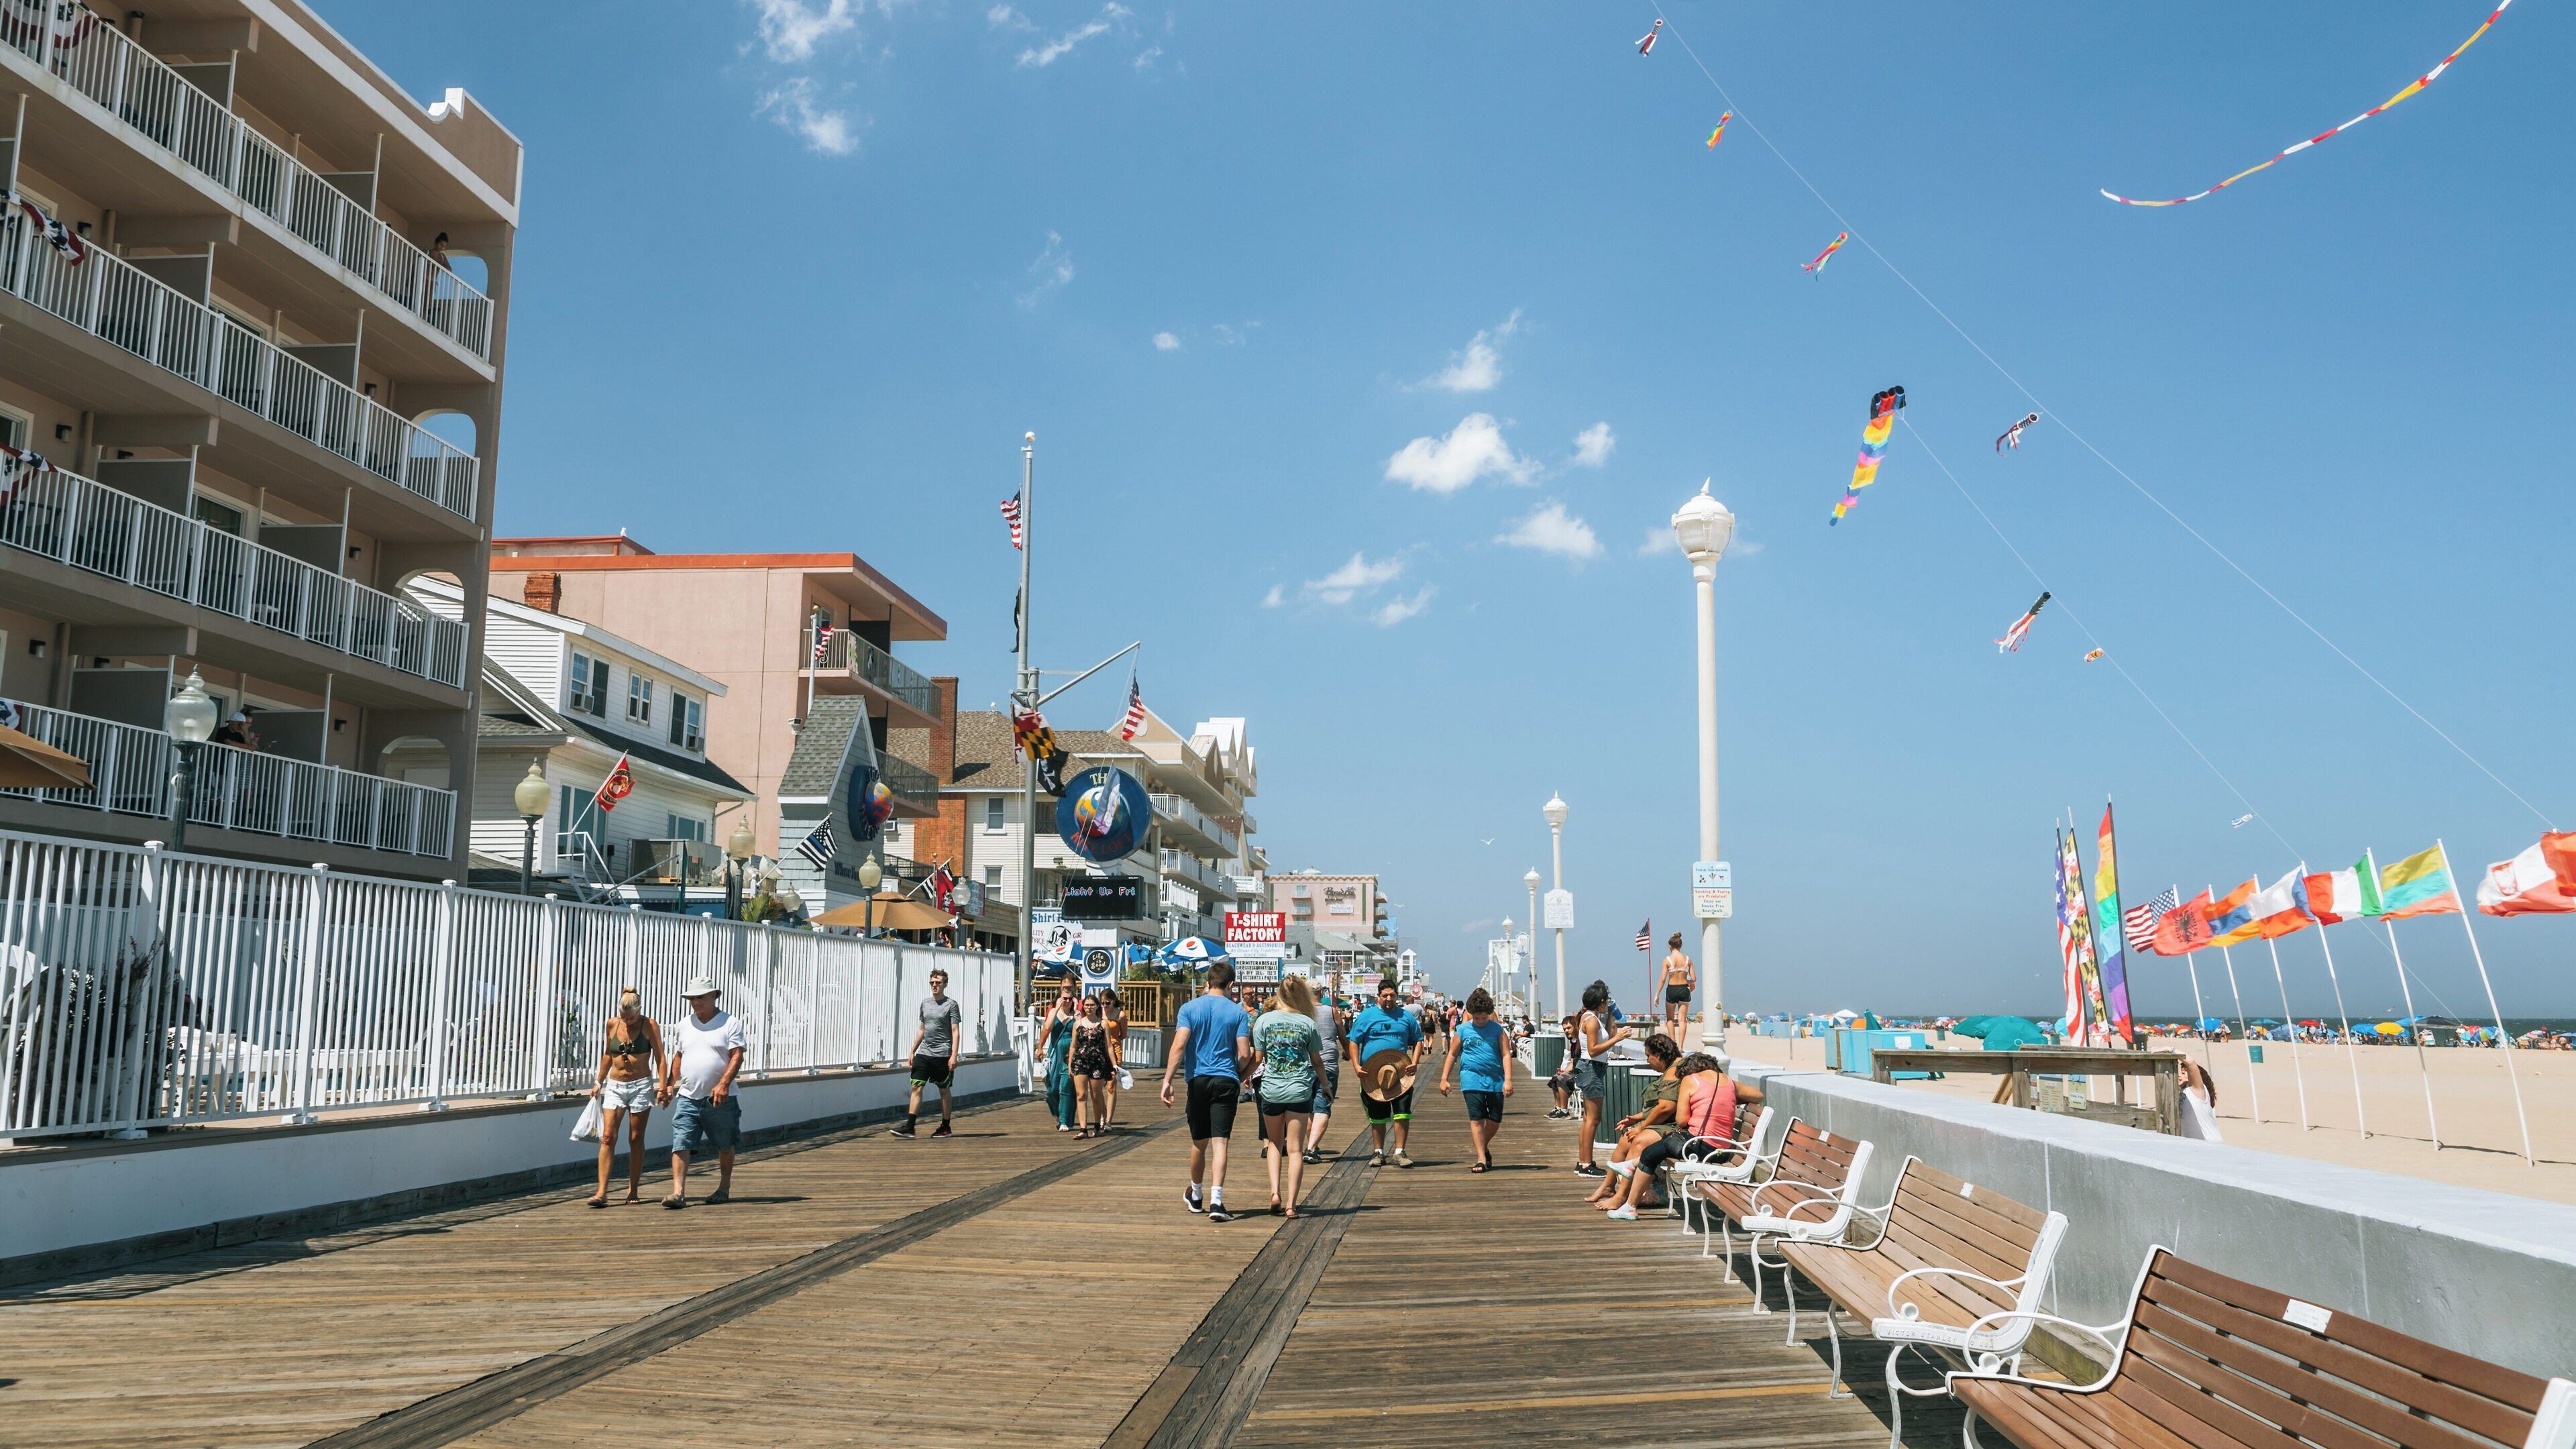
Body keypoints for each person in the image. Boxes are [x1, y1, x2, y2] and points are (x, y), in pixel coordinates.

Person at [1603, 1051, 1760, 1219]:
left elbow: (1681, 1120)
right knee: (1657, 1149)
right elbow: (1759, 1095)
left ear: (1691, 1070)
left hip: (1703, 1147)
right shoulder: (1729, 1082)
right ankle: (1631, 1174)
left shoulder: (1691, 1080)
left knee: (1650, 1154)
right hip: (1723, 1150)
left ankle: (1630, 1204)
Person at [1161, 960, 1252, 1222]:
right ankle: (1217, 1201)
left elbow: (1179, 1047)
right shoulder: (1237, 1013)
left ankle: (1197, 1194)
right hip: (1226, 1080)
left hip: (1198, 1081)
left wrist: (1168, 1080)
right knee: (1220, 1142)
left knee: (1199, 1142)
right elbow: (1245, 1054)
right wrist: (1237, 1073)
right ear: (1231, 985)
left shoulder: (1189, 1008)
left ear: (1208, 981)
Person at [658, 975, 745, 1208]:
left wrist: (724, 1083)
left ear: (714, 996)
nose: (696, 1002)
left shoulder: (730, 1023)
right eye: (692, 998)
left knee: (725, 1143)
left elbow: (737, 1055)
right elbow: (679, 1056)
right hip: (688, 1095)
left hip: (720, 1099)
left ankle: (724, 1186)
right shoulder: (684, 1024)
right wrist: (669, 1085)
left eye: (701, 997)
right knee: (681, 1142)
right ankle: (678, 1193)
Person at [1252, 975, 1328, 1217]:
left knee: (1275, 1143)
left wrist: (1242, 1076)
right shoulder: (1307, 1023)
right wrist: (1325, 1085)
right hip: (1299, 1090)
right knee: (1295, 1149)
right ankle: (1291, 1205)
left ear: (1279, 994)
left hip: (1272, 1090)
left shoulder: (1264, 1021)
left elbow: (1257, 1058)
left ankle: (1275, 1192)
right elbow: (1317, 1061)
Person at [584, 987, 665, 1207]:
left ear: (639, 1011)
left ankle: (633, 1189)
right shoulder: (612, 1024)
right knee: (608, 1136)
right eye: (624, 1017)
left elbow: (660, 1058)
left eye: (631, 1018)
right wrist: (598, 1081)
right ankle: (601, 1192)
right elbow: (607, 1055)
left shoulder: (650, 1025)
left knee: (635, 1138)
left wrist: (663, 1086)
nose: (627, 1022)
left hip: (640, 1085)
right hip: (615, 1085)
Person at [1585, 1034, 1681, 1210]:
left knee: (1638, 1141)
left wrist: (1641, 1127)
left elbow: (1667, 1108)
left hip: (1676, 1127)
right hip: (1664, 1123)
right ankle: (1607, 1186)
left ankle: (1622, 1197)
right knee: (1625, 1140)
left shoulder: (1673, 1072)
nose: (1647, 1060)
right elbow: (1658, 1107)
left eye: (1648, 1056)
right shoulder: (1670, 1069)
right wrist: (1635, 1119)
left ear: (1658, 1055)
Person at [1347, 979, 1424, 1167]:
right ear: (1378, 997)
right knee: (1377, 1116)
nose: (1389, 999)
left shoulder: (1406, 1017)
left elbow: (1419, 1040)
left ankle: (1399, 1152)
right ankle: (1378, 1152)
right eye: (1385, 996)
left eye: (1392, 995)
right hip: (1373, 1073)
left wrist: (1415, 1062)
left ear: (1397, 996)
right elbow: (1354, 1041)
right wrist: (1356, 1066)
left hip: (1400, 1073)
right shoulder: (1366, 1016)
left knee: (1402, 1114)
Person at [1438, 987, 1515, 1172]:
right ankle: (1481, 1159)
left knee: (1495, 1120)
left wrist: (1509, 1080)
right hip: (1470, 1079)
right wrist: (1444, 1079)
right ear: (1471, 1014)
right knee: (1477, 1119)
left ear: (1489, 1014)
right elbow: (1452, 1055)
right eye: (1477, 1018)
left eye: (1484, 1018)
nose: (1480, 1021)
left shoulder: (1497, 1030)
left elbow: (1506, 1055)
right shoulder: (1463, 1030)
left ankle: (1483, 1145)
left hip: (1495, 1080)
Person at [1572, 981, 1635, 1177]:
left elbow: (1606, 1035)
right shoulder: (1590, 1021)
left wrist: (1609, 1016)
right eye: (1606, 1001)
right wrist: (1618, 1039)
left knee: (1587, 1119)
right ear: (1600, 1002)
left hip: (1592, 1068)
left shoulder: (1592, 1018)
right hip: (1591, 1069)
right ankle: (1586, 1165)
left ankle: (1583, 1162)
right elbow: (1593, 1050)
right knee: (1593, 1119)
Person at [892, 967, 963, 1139]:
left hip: (942, 1054)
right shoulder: (925, 1003)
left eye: (938, 982)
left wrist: (954, 1055)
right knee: (916, 1086)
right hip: (924, 1053)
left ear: (945, 984)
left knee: (944, 1090)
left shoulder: (951, 1005)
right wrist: (912, 1051)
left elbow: (955, 1031)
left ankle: (946, 1127)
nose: (934, 985)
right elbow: (922, 1029)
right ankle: (910, 1127)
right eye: (932, 982)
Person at [1303, 981, 1342, 1165]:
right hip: (1328, 1064)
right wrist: (1349, 1053)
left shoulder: (1301, 1012)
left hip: (1304, 1065)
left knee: (1310, 1109)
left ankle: (1312, 1146)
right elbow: (1343, 1034)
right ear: (1321, 992)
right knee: (1322, 1107)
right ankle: (1311, 1149)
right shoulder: (1331, 1010)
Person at [1069, 994, 1116, 1138]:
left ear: (1097, 1007)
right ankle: (1083, 1128)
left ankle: (1097, 1124)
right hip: (1080, 1061)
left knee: (1096, 1096)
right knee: (1081, 1095)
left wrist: (1114, 1065)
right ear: (1083, 1007)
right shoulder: (1078, 1024)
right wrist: (1070, 1064)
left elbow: (1109, 1046)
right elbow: (1073, 1046)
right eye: (1087, 1005)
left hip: (1098, 1063)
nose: (1089, 1007)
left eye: (1092, 1005)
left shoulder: (1103, 1024)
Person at [1037, 980, 1080, 1132]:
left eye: (1070, 999)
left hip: (1071, 1055)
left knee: (1065, 1087)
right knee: (1052, 1090)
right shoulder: (1054, 1012)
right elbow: (1047, 1028)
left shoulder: (1076, 1015)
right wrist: (1040, 1047)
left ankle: (1064, 1121)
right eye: (1065, 999)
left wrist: (1076, 1012)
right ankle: (1058, 1113)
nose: (1067, 1002)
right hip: (1056, 1054)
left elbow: (1081, 1029)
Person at [1097, 987, 1129, 1130]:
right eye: (1102, 1003)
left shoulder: (1120, 1015)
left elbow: (1123, 1035)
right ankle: (1103, 1115)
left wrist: (1113, 1041)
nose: (1105, 1006)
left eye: (1107, 1003)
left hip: (1115, 1050)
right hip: (1099, 1050)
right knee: (1097, 1086)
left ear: (1114, 1001)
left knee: (1111, 1085)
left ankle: (1109, 1121)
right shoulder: (1099, 1014)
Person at [1658, 933, 1696, 1043]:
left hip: (1672, 989)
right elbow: (1694, 979)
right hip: (1684, 989)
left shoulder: (1667, 960)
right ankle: (1681, 1047)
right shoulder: (1688, 960)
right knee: (1682, 1020)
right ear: (1681, 946)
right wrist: (1687, 981)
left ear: (1670, 946)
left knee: (1670, 1019)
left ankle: (1673, 1044)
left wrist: (1657, 994)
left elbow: (1663, 979)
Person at [1547, 1016, 1579, 1118]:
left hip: (1582, 1073)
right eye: (1565, 1029)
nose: (1566, 1031)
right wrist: (1563, 1071)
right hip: (1575, 1071)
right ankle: (1558, 1108)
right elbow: (1572, 1062)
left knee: (1562, 1079)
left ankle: (1565, 1111)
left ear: (1576, 1027)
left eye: (1569, 1028)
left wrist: (1565, 1073)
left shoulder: (1581, 1042)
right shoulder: (1573, 1043)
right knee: (1555, 1078)